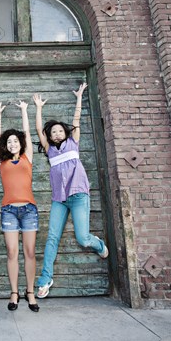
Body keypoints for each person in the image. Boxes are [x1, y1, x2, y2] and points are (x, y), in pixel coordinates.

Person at [33, 84, 109, 299]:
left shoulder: (73, 144)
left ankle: (99, 244)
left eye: (60, 130)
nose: (57, 133)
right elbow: (39, 130)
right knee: (52, 238)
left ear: (65, 132)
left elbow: (76, 121)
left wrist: (79, 98)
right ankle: (45, 279)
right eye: (53, 131)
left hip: (78, 196)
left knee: (83, 238)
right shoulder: (50, 151)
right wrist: (38, 108)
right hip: (60, 199)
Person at [0, 100, 39, 312]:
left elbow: (28, 133)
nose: (12, 144)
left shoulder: (27, 157)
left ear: (20, 143)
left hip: (29, 210)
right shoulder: (2, 161)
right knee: (12, 252)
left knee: (29, 252)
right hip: (9, 210)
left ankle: (30, 292)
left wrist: (24, 110)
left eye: (15, 141)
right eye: (9, 142)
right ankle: (14, 293)